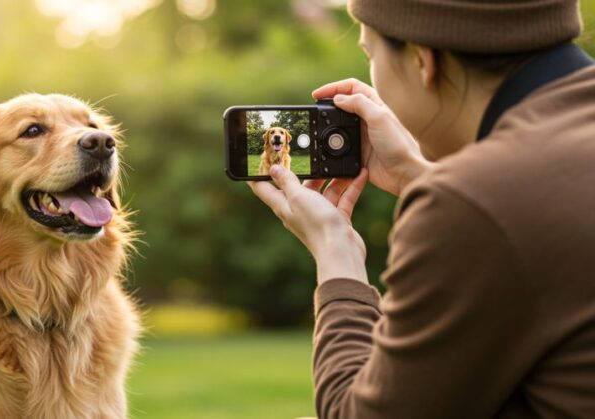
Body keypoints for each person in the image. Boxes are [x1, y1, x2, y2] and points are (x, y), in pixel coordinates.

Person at [249, 0, 595, 417]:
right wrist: (422, 175)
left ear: (422, 61)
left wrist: (335, 248)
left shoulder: (473, 203)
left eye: (369, 53)